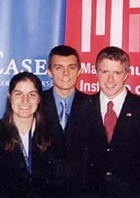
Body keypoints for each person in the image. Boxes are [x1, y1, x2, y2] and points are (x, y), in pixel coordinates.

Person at [86, 46, 140, 198]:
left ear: (126, 74)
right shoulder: (82, 107)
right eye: (104, 72)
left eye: (117, 72)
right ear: (96, 72)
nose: (110, 79)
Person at [0, 71, 66, 198]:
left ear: (39, 98)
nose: (25, 100)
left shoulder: (53, 132)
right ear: (9, 96)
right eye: (18, 94)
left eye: (32, 94)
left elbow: (62, 184)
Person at [41, 45, 91, 196]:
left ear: (79, 71)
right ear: (49, 72)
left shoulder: (92, 105)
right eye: (58, 68)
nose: (66, 73)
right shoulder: (35, 103)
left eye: (71, 67)